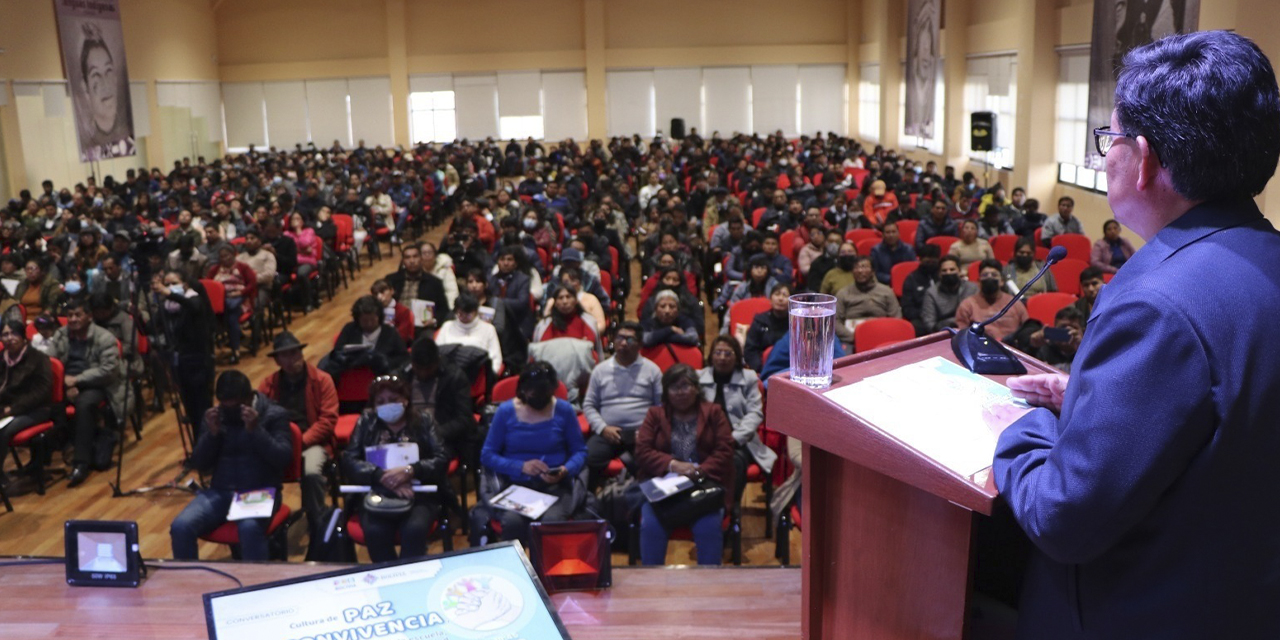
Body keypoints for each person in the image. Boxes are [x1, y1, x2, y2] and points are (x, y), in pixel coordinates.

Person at [995, 31, 1280, 639]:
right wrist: (1091, 400)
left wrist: (1025, 426)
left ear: (1143, 157)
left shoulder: (1156, 303)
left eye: (1111, 139)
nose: (1106, 157)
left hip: (1135, 610)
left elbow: (1064, 516)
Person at [170, 371, 292, 561]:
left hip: (258, 491)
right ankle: (189, 584)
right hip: (221, 490)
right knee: (181, 526)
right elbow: (200, 463)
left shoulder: (274, 414)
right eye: (224, 407)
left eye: (235, 407)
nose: (229, 413)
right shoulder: (215, 417)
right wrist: (212, 434)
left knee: (249, 528)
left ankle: (256, 587)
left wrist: (256, 430)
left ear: (249, 397)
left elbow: (283, 458)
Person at [341, 375, 451, 563]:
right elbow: (349, 460)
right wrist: (380, 476)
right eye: (380, 401)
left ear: (405, 400)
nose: (387, 405)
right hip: (375, 492)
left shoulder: (424, 421)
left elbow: (442, 458)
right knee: (375, 531)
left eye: (393, 400)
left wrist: (412, 470)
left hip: (418, 493)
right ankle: (388, 578)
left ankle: (410, 580)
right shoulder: (366, 422)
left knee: (414, 529)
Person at [635, 364, 734, 566]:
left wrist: (698, 471)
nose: (680, 392)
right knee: (651, 527)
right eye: (674, 387)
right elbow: (642, 451)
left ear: (696, 388)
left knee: (708, 528)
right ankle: (650, 587)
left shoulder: (714, 412)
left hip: (704, 485)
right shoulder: (655, 414)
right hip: (663, 487)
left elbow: (725, 450)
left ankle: (708, 587)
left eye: (685, 386)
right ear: (666, 391)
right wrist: (673, 465)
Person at [478, 362, 586, 545]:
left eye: (545, 395)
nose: (540, 400)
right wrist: (521, 467)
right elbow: (487, 455)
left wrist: (565, 470)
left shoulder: (564, 411)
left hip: (555, 487)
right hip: (515, 486)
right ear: (523, 390)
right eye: (535, 394)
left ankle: (548, 572)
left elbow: (580, 452)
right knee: (512, 523)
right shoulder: (505, 412)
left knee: (552, 524)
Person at [257, 332, 338, 534]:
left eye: (294, 353)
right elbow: (260, 420)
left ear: (302, 354)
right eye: (285, 355)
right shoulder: (268, 385)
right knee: (258, 472)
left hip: (312, 442)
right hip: (278, 444)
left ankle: (317, 523)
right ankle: (268, 526)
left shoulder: (322, 380)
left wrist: (299, 442)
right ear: (277, 360)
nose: (291, 359)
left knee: (311, 473)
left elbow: (327, 421)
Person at [47, 299, 123, 487]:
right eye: (70, 315)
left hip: (96, 384)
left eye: (78, 315)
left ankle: (80, 462)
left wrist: (78, 380)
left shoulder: (104, 337)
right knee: (43, 401)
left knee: (84, 404)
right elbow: (50, 361)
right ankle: (45, 457)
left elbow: (108, 370)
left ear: (89, 317)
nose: (73, 319)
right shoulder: (61, 334)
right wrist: (65, 383)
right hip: (67, 382)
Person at [582, 322, 663, 489]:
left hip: (641, 433)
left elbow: (661, 406)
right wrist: (603, 428)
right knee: (587, 459)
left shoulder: (652, 370)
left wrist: (647, 431)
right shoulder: (600, 370)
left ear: (640, 344)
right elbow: (589, 405)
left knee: (652, 462)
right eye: (620, 338)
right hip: (608, 432)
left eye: (630, 339)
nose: (624, 343)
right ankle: (590, 503)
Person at [698, 336, 772, 509]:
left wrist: (733, 438)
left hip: (738, 441)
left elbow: (755, 413)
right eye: (718, 353)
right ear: (711, 356)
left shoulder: (748, 378)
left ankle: (730, 507)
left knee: (734, 462)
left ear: (737, 356)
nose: (722, 358)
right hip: (704, 440)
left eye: (728, 353)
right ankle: (703, 502)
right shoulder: (699, 377)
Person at [150, 270, 216, 427]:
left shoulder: (194, 299)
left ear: (184, 284)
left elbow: (194, 307)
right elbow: (150, 327)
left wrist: (170, 294)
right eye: (167, 284)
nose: (170, 287)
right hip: (179, 361)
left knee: (203, 409)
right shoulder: (166, 306)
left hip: (198, 360)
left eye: (174, 283)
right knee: (191, 408)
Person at [0, 319, 53, 486]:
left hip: (36, 409)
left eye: (14, 333)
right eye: (5, 334)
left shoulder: (38, 359)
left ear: (23, 337)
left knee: (3, 431)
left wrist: (12, 409)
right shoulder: (2, 359)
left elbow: (42, 392)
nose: (10, 338)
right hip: (6, 409)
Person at [407, 336, 478, 461]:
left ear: (437, 362)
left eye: (428, 369)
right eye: (418, 369)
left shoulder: (455, 377)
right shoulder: (403, 376)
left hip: (443, 438)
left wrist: (434, 433)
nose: (423, 373)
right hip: (407, 437)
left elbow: (464, 419)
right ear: (412, 364)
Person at [320, 296, 409, 383]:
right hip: (351, 380)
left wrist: (383, 361)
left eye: (372, 319)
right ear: (358, 319)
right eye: (365, 321)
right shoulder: (349, 329)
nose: (369, 324)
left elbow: (403, 357)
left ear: (379, 317)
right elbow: (338, 352)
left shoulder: (390, 332)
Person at [833, 256, 901, 350]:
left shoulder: (886, 291)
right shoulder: (843, 293)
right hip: (851, 338)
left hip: (881, 335)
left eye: (864, 267)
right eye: (856, 268)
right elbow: (835, 322)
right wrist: (856, 337)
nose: (860, 271)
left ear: (873, 271)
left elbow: (896, 318)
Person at [205, 245, 256, 364]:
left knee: (232, 315)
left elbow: (252, 284)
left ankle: (235, 350)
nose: (224, 259)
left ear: (234, 255)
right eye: (221, 256)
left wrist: (240, 292)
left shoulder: (243, 267)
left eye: (227, 255)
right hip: (220, 301)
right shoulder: (215, 269)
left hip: (240, 299)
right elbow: (208, 283)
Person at [955, 259, 1026, 342]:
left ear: (1002, 281)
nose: (989, 277)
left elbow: (1026, 330)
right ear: (978, 282)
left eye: (994, 275)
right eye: (985, 275)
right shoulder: (967, 304)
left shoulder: (1014, 303)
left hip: (1013, 349)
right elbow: (961, 336)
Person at [385, 244, 449, 331]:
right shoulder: (391, 280)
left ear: (421, 259)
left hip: (422, 327)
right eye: (407, 257)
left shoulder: (434, 283)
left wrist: (434, 320)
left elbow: (444, 309)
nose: (412, 261)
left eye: (415, 256)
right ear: (403, 261)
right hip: (395, 325)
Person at [436, 294, 503, 374]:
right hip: (449, 375)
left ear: (476, 311)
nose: (464, 317)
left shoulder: (488, 329)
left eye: (468, 314)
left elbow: (496, 358)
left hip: (478, 376)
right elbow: (437, 354)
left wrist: (489, 377)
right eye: (460, 313)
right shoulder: (447, 326)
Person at [534, 287, 604, 353]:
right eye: (560, 298)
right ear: (555, 303)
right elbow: (542, 349)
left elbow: (590, 346)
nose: (565, 301)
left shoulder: (588, 321)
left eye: (568, 297)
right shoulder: (545, 325)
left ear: (576, 301)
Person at [921, 255, 978, 332]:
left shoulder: (972, 288)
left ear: (959, 271)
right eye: (944, 270)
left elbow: (979, 314)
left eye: (952, 269)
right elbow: (929, 323)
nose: (948, 273)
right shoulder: (931, 293)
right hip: (943, 333)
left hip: (970, 331)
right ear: (939, 274)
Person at [742, 284, 790, 372]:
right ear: (770, 299)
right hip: (763, 369)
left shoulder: (794, 324)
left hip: (787, 369)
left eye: (785, 295)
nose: (780, 298)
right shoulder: (760, 321)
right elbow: (750, 350)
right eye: (777, 294)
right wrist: (762, 369)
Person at [901, 244, 941, 336]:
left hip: (942, 316)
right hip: (920, 318)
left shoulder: (942, 276)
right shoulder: (911, 279)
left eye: (934, 259)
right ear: (920, 259)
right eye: (927, 259)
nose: (931, 262)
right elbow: (907, 308)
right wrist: (927, 315)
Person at [285, 211, 320, 311]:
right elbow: (288, 248)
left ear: (303, 221)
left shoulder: (309, 231)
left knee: (301, 273)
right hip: (292, 262)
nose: (295, 221)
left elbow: (304, 243)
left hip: (308, 261)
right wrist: (301, 250)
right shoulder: (287, 233)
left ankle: (308, 302)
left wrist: (298, 230)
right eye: (293, 219)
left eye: (298, 219)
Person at [371, 279, 415, 344]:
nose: (379, 297)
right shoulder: (373, 311)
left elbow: (403, 336)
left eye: (383, 292)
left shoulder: (403, 311)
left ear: (392, 291)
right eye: (376, 294)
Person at [420, 241, 459, 310]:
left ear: (435, 255)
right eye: (424, 253)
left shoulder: (445, 270)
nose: (427, 255)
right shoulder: (416, 271)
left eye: (430, 252)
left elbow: (452, 292)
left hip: (441, 306)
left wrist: (451, 309)